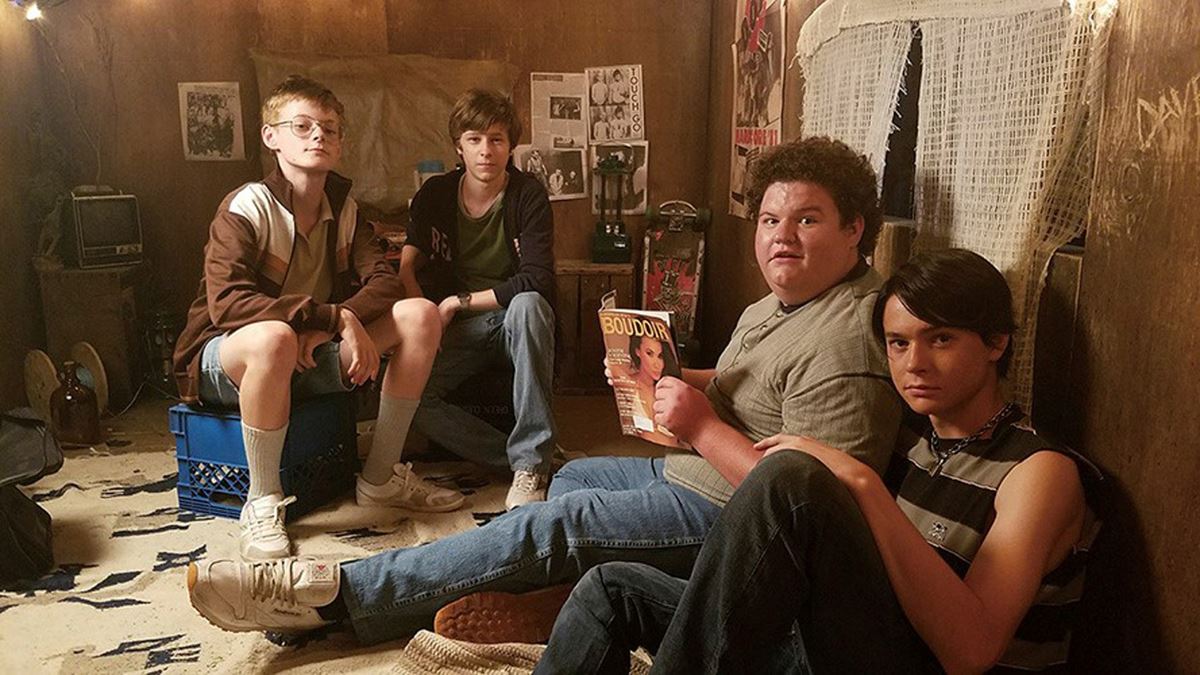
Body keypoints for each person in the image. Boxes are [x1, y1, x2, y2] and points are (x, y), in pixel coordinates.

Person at [184, 136, 902, 647]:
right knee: (570, 477)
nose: (781, 237)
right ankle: (567, 597)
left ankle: (336, 597)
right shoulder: (784, 301)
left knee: (549, 523)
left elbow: (809, 512)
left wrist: (704, 426)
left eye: (807, 220)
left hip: (731, 513)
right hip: (693, 468)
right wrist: (679, 378)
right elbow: (752, 381)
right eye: (771, 220)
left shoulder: (848, 341)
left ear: (855, 229)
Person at [536, 248, 1100, 674]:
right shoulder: (915, 437)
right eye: (898, 343)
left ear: (996, 343)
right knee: (608, 591)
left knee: (792, 478)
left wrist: (861, 483)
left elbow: (970, 652)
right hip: (847, 643)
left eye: (942, 340)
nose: (914, 363)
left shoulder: (1038, 472)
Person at [172, 76, 462, 562]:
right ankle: (262, 501)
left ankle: (379, 479)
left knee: (420, 314)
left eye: (329, 128)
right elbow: (227, 304)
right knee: (274, 338)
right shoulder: (246, 206)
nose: (318, 136)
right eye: (302, 126)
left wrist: (337, 320)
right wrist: (330, 318)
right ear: (271, 137)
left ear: (341, 142)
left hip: (308, 354)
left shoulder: (345, 210)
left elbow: (386, 282)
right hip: (228, 359)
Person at [394, 89, 558, 510]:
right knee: (411, 397)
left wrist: (457, 302)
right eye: (475, 139)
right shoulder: (436, 193)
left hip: (510, 321)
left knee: (529, 304)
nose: (486, 150)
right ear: (459, 146)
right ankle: (523, 460)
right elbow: (410, 258)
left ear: (510, 146)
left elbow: (537, 279)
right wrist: (423, 313)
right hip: (459, 331)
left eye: (496, 139)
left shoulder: (527, 195)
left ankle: (531, 466)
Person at [626, 334, 677, 445]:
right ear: (638, 351)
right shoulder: (628, 382)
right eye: (649, 353)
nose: (656, 364)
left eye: (660, 356)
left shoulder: (667, 388)